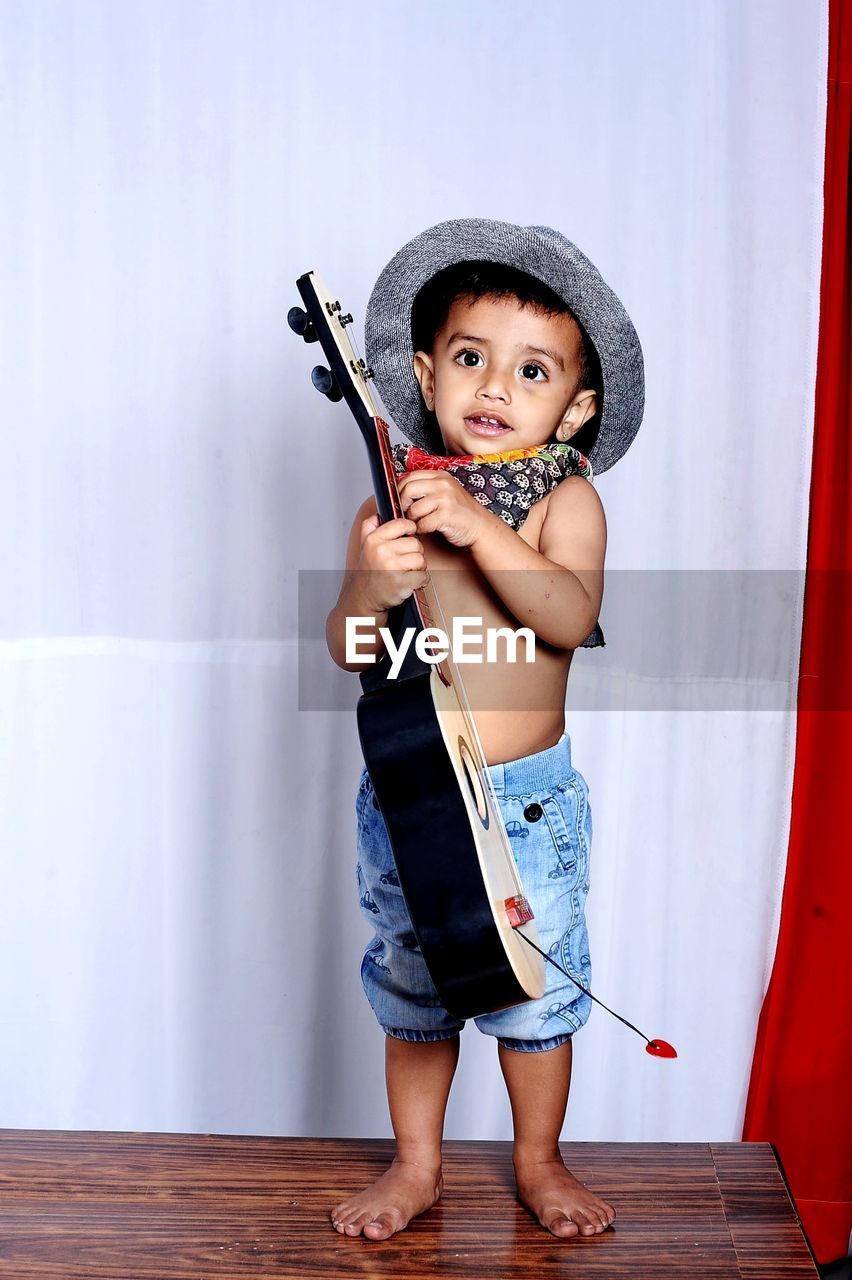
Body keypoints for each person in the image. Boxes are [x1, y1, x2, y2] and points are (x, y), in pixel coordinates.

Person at [324, 218, 644, 1241]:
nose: (495, 386)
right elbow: (348, 646)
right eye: (471, 358)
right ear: (425, 370)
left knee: (532, 990)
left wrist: (479, 526)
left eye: (533, 369)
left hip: (524, 799)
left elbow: (567, 615)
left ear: (576, 406)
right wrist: (370, 586)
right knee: (415, 984)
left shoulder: (564, 499)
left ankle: (538, 1158)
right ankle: (416, 1163)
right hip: (414, 792)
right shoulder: (393, 503)